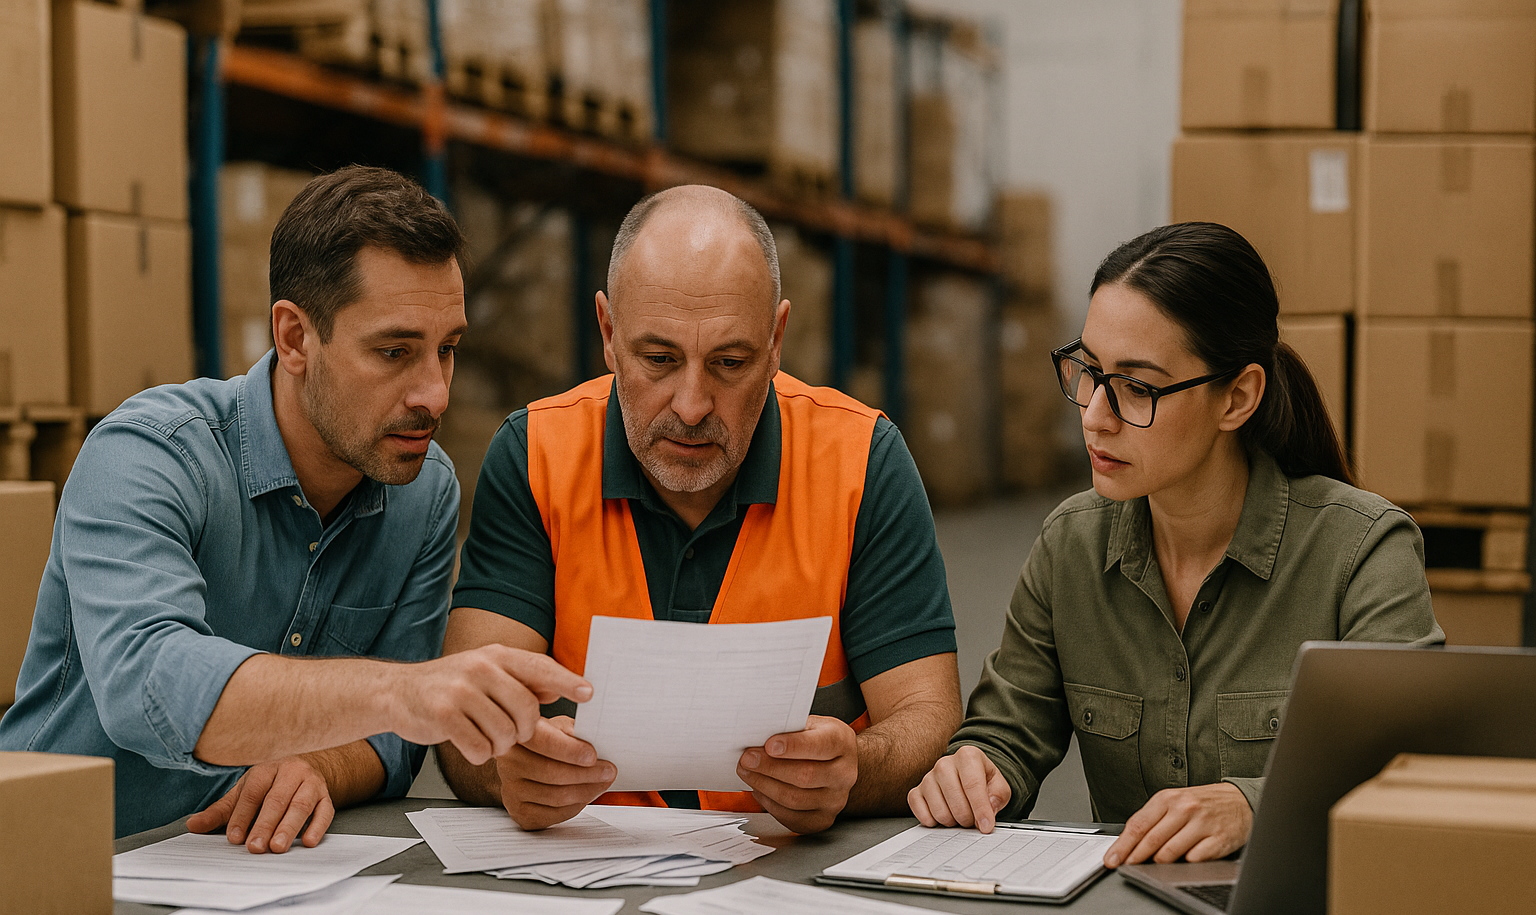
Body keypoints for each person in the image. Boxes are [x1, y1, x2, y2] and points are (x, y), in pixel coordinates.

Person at [0, 166, 590, 846]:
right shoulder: (148, 454)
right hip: (65, 864)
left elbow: (394, 748)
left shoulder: (423, 494)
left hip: (247, 879)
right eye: (394, 351)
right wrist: (402, 692)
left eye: (447, 351)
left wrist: (320, 765)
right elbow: (147, 684)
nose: (434, 394)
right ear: (294, 338)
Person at [908, 221, 1442, 867]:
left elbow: (1410, 767)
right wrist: (978, 771)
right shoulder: (1071, 546)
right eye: (1088, 371)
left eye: (1138, 386)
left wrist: (1253, 802)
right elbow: (1009, 730)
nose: (1095, 415)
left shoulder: (1361, 551)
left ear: (1237, 397)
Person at [438, 184, 962, 834]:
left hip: (790, 870)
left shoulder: (862, 461)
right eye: (658, 360)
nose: (691, 405)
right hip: (590, 868)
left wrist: (854, 769)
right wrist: (504, 769)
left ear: (776, 340)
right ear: (607, 332)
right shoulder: (534, 457)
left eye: (729, 362)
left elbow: (926, 715)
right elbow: (465, 728)